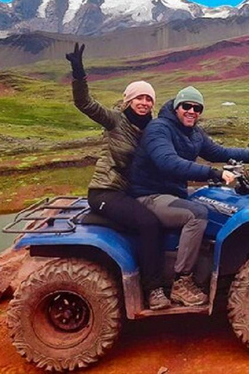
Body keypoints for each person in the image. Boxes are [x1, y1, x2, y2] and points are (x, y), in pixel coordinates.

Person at [128, 86, 249, 306]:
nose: (192, 111)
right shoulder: (159, 129)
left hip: (173, 192)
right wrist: (212, 173)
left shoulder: (193, 133)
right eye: (187, 106)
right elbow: (168, 162)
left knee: (216, 201)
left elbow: (217, 152)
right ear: (177, 107)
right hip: (150, 195)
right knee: (197, 215)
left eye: (197, 108)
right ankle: (181, 282)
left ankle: (209, 263)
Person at [65, 43, 171, 310]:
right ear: (128, 100)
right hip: (106, 191)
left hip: (132, 193)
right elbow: (84, 103)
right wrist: (79, 73)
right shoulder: (115, 120)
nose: (144, 103)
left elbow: (168, 156)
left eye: (148, 99)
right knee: (148, 224)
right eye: (139, 98)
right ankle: (154, 290)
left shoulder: (154, 130)